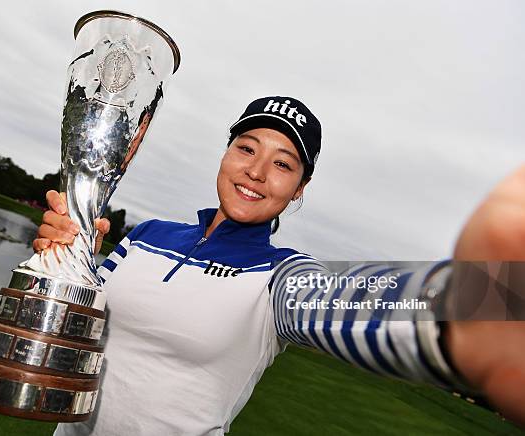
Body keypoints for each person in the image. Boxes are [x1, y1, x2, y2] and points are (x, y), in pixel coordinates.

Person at [34, 96, 525, 435]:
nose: (257, 171)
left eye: (284, 164)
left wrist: (477, 301)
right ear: (225, 154)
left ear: (299, 189)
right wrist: (66, 256)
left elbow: (337, 306)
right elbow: (75, 323)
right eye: (247, 148)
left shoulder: (282, 276)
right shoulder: (146, 235)